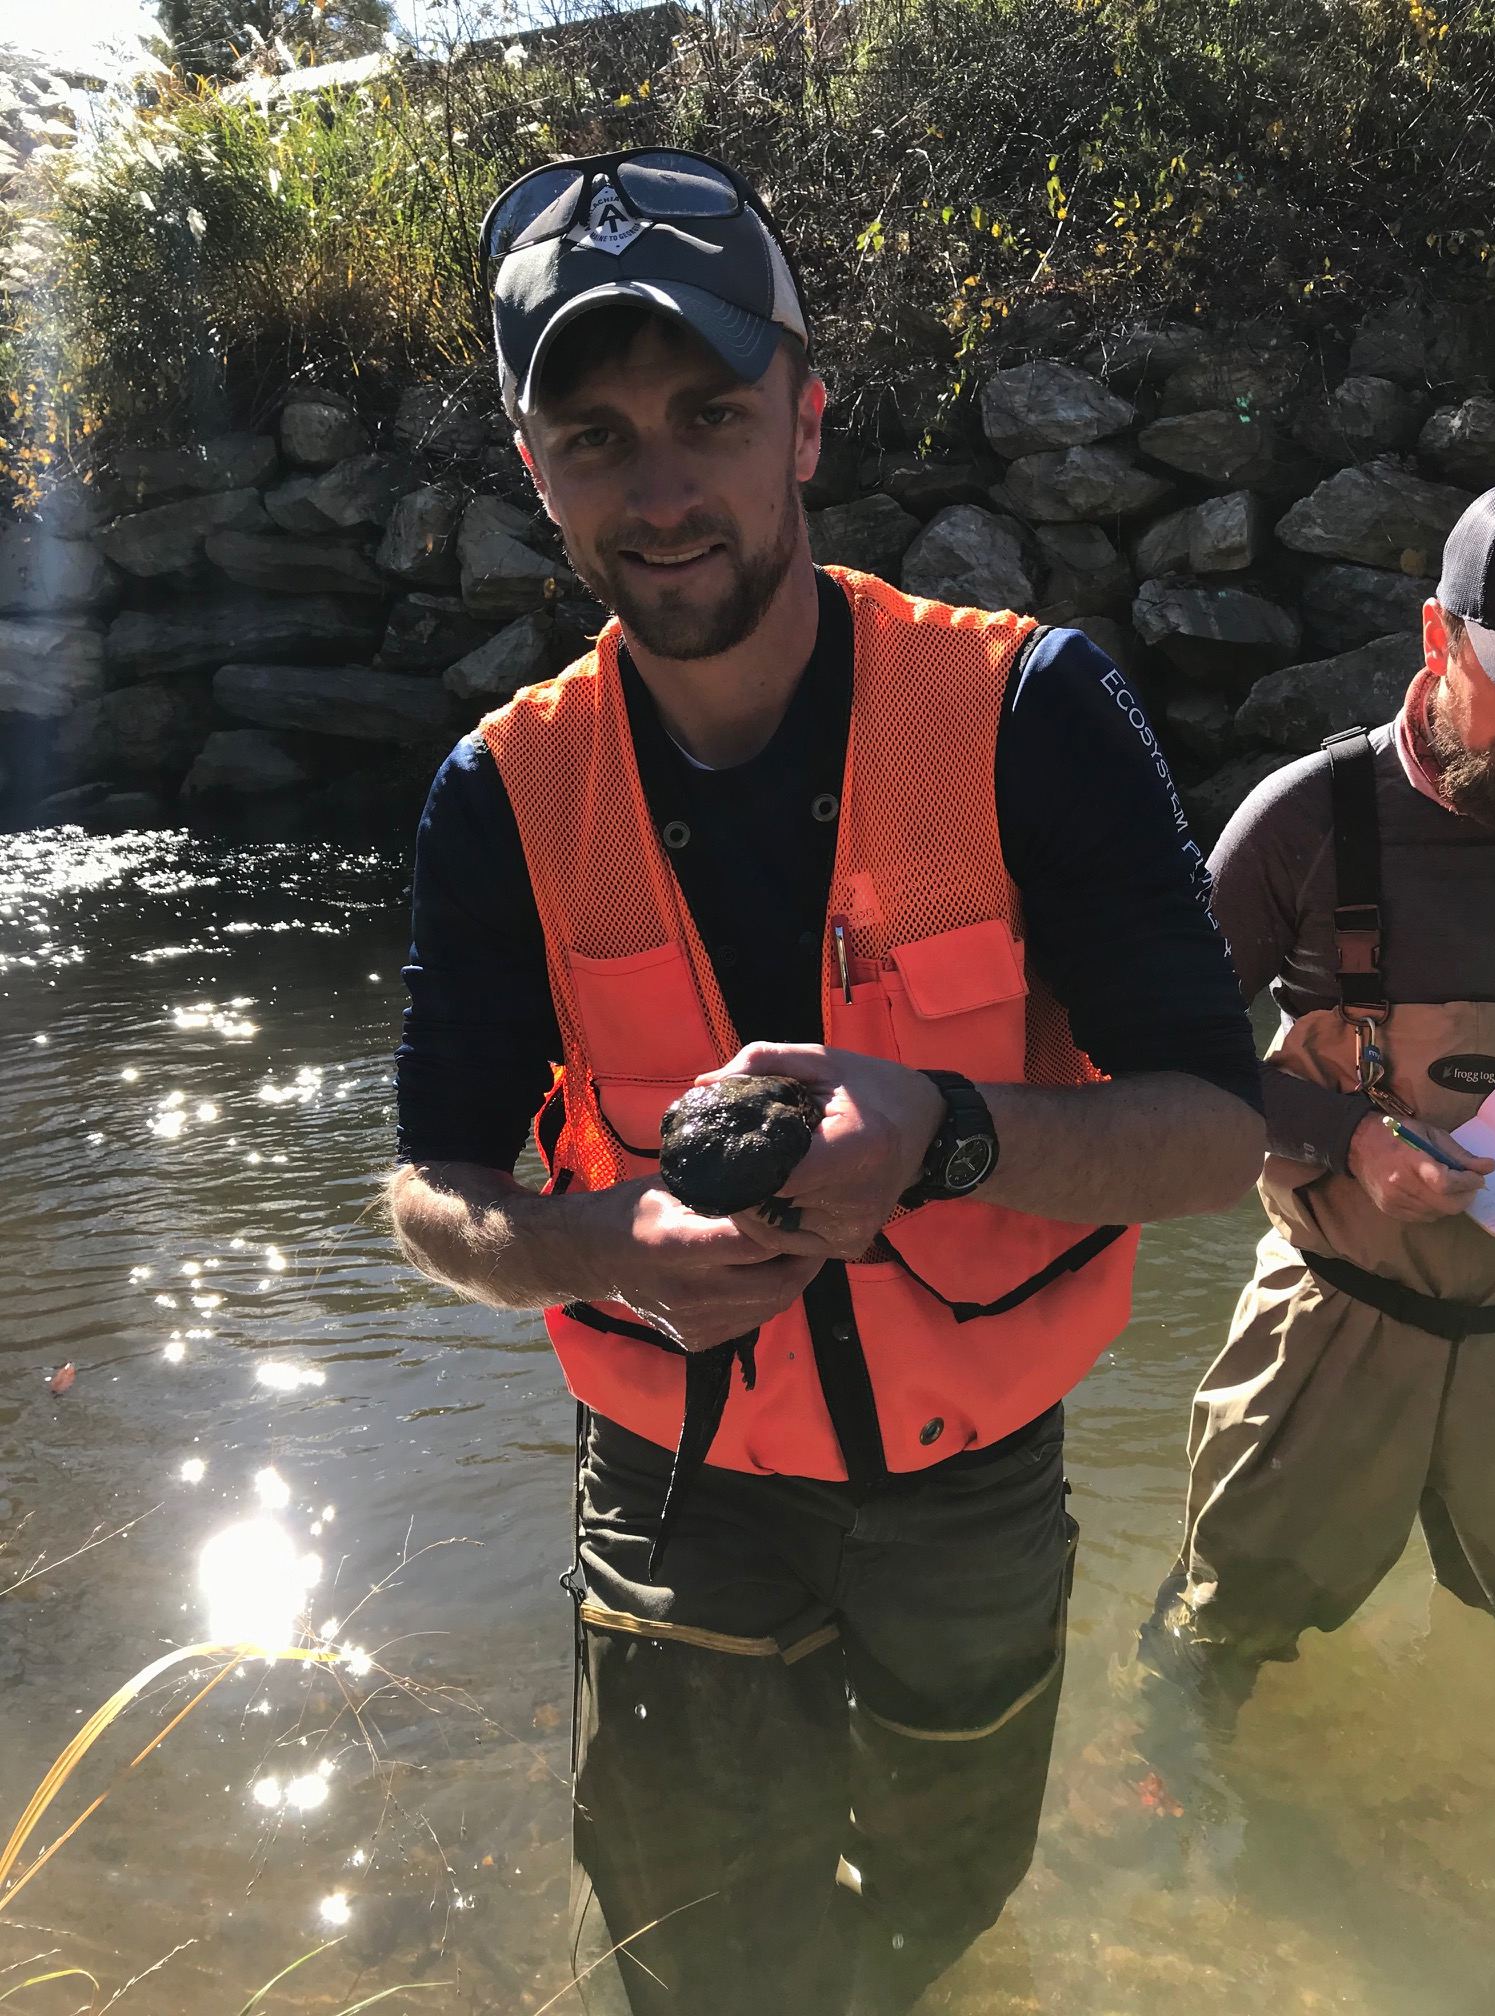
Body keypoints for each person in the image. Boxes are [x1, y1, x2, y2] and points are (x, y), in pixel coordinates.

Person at [388, 147, 1263, 2016]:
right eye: (597, 435)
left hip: (974, 1488)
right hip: (676, 1473)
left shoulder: (1030, 711)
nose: (662, 484)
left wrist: (950, 1133)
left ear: (805, 416)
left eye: (707, 411)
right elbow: (429, 1192)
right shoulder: (501, 795)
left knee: (942, 1895)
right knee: (700, 1959)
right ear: (536, 475)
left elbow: (1214, 1133)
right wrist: (601, 1237)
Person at [1142, 480, 1495, 1732]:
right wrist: (1344, 1138)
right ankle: (1167, 1863)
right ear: (1435, 639)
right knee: (1214, 1645)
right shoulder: (1309, 823)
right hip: (1332, 1328)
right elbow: (1153, 1065)